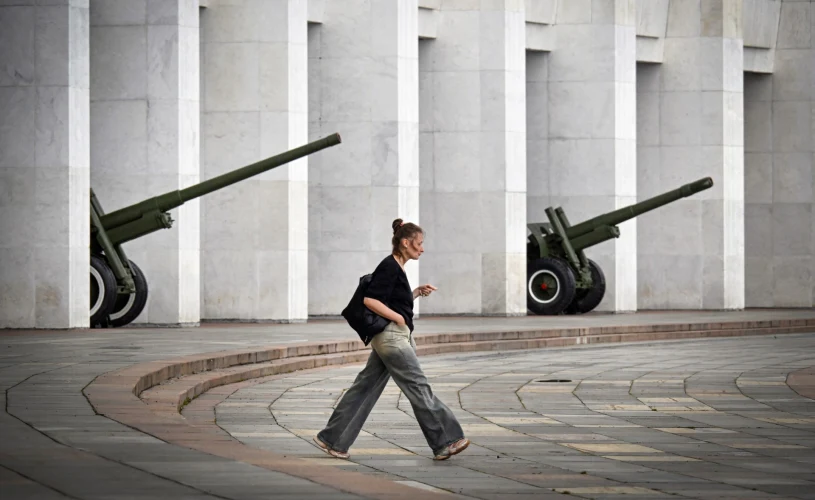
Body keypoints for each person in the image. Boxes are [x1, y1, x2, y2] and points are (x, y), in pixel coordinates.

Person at [313, 218, 470, 461]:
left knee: (364, 388)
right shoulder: (389, 266)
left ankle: (333, 440)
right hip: (392, 340)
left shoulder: (396, 266)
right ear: (406, 243)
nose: (422, 248)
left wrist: (415, 293)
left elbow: (389, 299)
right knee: (418, 386)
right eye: (419, 243)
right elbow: (371, 301)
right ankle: (447, 440)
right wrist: (399, 319)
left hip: (387, 338)